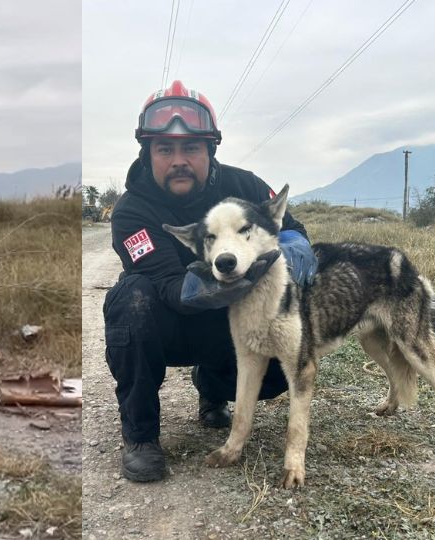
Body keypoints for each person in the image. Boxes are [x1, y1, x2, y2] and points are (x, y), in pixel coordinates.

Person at [103, 80, 318, 482]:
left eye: (192, 148)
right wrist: (221, 282)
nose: (179, 159)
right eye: (165, 149)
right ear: (148, 152)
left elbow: (290, 225)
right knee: (132, 299)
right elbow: (168, 285)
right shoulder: (132, 210)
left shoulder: (245, 187)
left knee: (275, 372)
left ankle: (213, 387)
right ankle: (141, 435)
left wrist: (295, 247)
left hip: (233, 327)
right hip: (170, 324)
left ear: (210, 150)